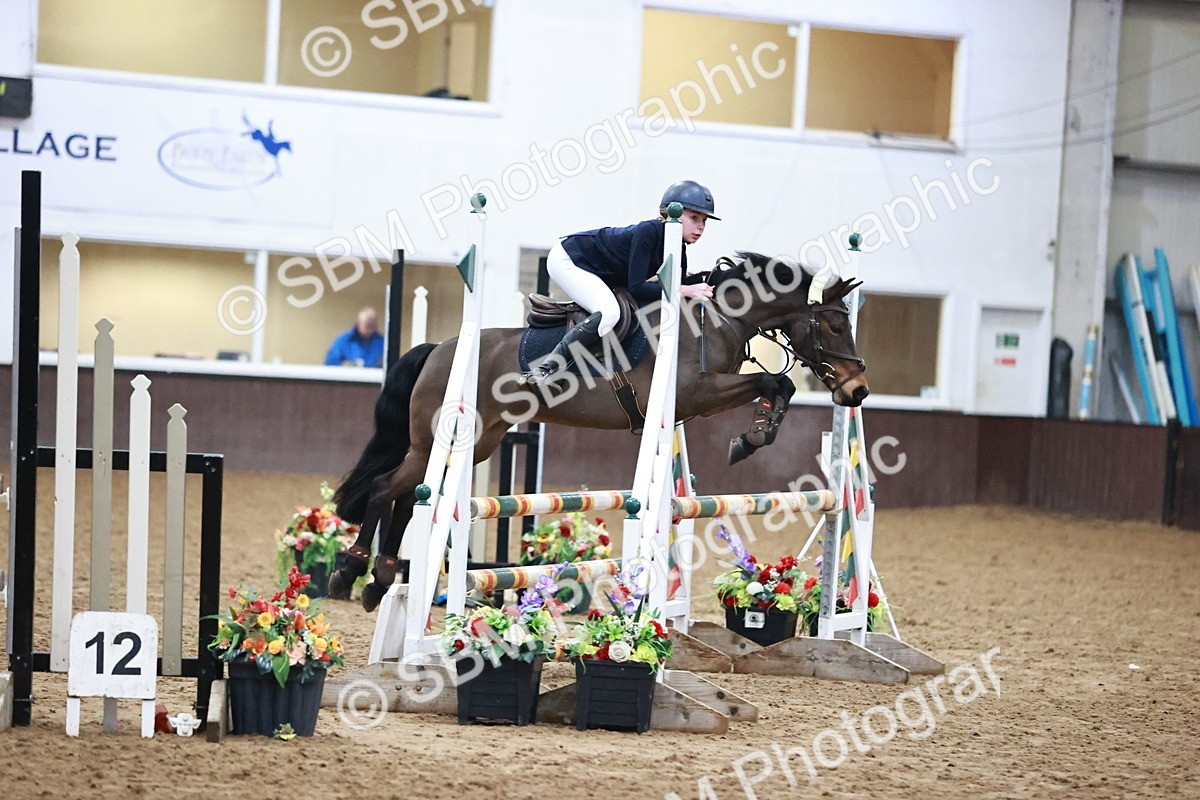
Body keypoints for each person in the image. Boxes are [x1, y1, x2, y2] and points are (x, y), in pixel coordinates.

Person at [519, 180, 719, 387]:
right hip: (569, 259)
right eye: (694, 218)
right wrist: (685, 289)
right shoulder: (648, 231)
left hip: (595, 269)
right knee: (609, 313)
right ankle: (544, 369)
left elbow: (680, 284)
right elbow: (638, 288)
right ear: (669, 213)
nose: (701, 227)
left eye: (704, 221)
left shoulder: (677, 246)